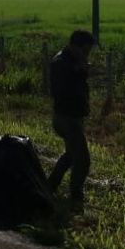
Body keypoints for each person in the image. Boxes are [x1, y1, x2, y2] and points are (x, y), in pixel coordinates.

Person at [47, 29, 95, 209]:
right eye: (86, 49)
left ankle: (50, 185)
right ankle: (75, 195)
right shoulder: (61, 62)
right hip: (65, 118)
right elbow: (61, 90)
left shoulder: (73, 61)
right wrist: (79, 70)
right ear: (76, 46)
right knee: (83, 159)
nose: (88, 54)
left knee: (70, 155)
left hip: (73, 117)